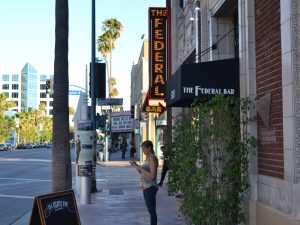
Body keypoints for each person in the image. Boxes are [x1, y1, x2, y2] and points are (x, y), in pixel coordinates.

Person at [130, 140, 158, 225]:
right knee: (150, 210)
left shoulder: (152, 158)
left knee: (152, 210)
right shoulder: (148, 158)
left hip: (150, 187)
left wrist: (140, 168)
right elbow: (142, 173)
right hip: (146, 186)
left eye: (144, 149)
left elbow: (152, 176)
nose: (143, 151)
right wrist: (136, 166)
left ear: (149, 148)